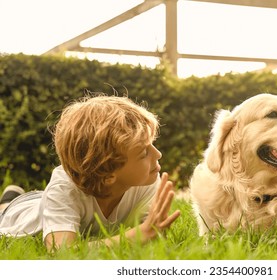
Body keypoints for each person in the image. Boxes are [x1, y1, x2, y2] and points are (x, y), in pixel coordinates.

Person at [0, 94, 181, 251]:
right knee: (7, 211)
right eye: (143, 153)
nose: (158, 154)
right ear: (108, 175)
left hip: (45, 200)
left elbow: (153, 237)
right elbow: (61, 252)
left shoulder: (146, 180)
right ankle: (7, 202)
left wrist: (153, 231)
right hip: (20, 212)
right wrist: (137, 235)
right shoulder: (64, 188)